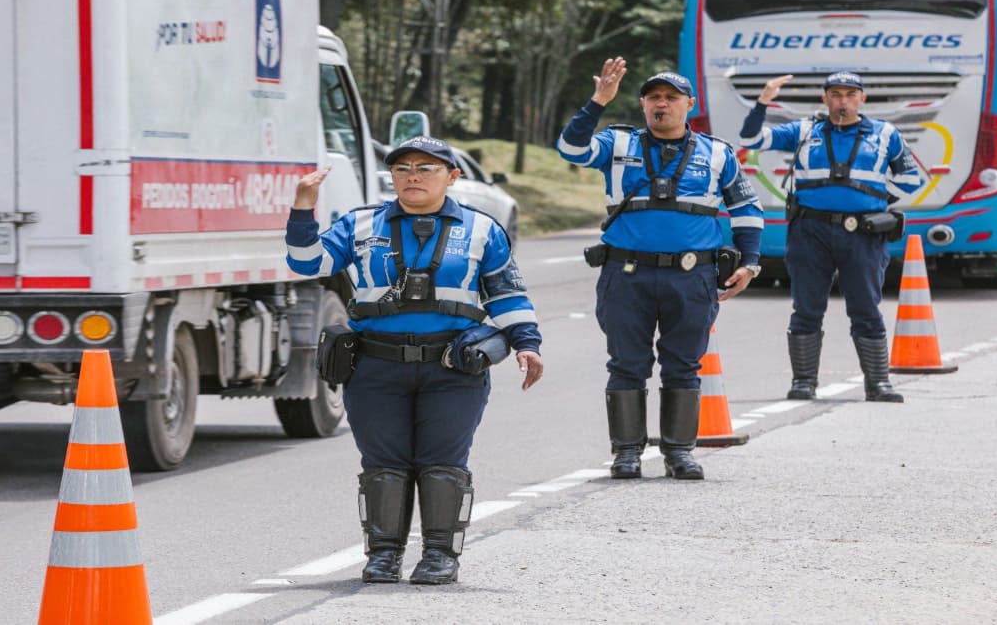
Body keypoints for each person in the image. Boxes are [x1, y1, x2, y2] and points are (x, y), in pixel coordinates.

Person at [285, 136, 543, 585]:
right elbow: (306, 262)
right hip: (376, 367)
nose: (413, 175)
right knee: (383, 463)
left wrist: (527, 343)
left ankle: (440, 556)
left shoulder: (483, 230)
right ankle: (383, 556)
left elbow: (506, 294)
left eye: (426, 167)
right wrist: (303, 207)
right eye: (403, 168)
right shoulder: (361, 224)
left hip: (453, 367)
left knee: (443, 461)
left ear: (452, 176)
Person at [556, 58, 764, 481]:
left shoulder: (717, 152)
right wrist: (598, 102)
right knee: (626, 364)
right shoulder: (617, 146)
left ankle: (679, 452)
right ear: (642, 104)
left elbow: (746, 209)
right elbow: (571, 149)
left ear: (689, 104)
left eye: (671, 98)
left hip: (692, 277)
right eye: (653, 97)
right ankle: (627, 453)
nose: (661, 105)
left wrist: (750, 263)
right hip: (626, 275)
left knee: (684, 364)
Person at [739, 71, 922, 403]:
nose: (843, 101)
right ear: (825, 99)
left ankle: (878, 383)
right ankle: (804, 381)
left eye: (851, 95)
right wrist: (764, 99)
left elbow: (912, 178)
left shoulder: (885, 134)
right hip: (811, 232)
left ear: (862, 99)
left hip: (863, 235)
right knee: (806, 307)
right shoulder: (805, 131)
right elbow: (751, 140)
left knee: (866, 307)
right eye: (836, 94)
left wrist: (879, 205)